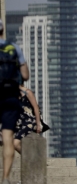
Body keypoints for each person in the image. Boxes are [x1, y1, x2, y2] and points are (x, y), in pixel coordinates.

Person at [0, 19, 29, 184]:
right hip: (10, 98)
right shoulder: (14, 48)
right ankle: (5, 178)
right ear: (2, 30)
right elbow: (25, 75)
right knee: (8, 137)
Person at [14, 85, 44, 153]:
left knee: (15, 143)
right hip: (19, 122)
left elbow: (36, 108)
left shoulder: (28, 92)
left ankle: (30, 158)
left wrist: (38, 124)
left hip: (29, 122)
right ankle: (30, 156)